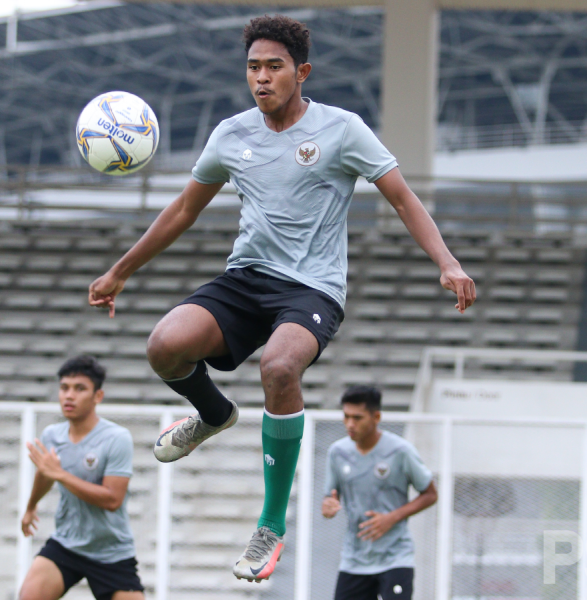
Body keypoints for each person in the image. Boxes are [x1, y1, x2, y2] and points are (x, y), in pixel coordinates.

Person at [88, 14, 474, 582]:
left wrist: (447, 261)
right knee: (165, 346)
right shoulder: (231, 133)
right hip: (246, 277)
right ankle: (213, 414)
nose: (261, 78)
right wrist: (121, 269)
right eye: (253, 68)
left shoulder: (341, 129)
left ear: (302, 73)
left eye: (274, 67)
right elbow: (184, 210)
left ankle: (270, 526)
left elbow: (401, 197)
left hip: (313, 287)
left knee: (280, 364)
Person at [19, 356, 144, 600]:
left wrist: (60, 475)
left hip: (112, 552)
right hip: (67, 544)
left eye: (79, 389)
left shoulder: (117, 438)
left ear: (98, 396)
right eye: (64, 388)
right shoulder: (52, 435)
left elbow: (112, 500)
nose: (69, 395)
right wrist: (31, 506)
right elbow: (45, 474)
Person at [321, 386, 437, 600]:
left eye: (357, 418)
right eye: (346, 417)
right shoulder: (337, 452)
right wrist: (328, 506)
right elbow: (330, 497)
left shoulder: (400, 451)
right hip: (354, 559)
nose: (350, 424)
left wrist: (391, 518)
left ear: (376, 417)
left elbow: (430, 494)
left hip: (395, 558)